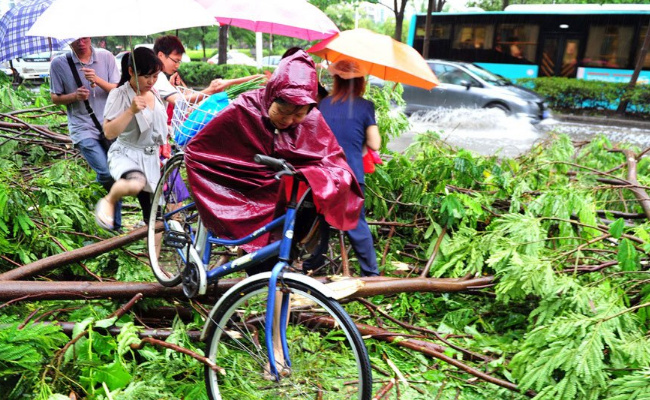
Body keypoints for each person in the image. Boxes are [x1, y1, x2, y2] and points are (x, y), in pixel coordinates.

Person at [184, 50, 364, 275]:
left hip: (282, 197)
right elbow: (200, 151)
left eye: (298, 115)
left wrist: (322, 177)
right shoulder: (244, 108)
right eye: (282, 112)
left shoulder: (312, 119)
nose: (289, 121)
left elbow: (331, 158)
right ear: (272, 96)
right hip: (245, 191)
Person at [303, 59, 381, 277]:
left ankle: (313, 266)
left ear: (336, 79)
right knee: (356, 223)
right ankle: (371, 274)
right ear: (361, 82)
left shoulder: (323, 104)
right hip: (351, 175)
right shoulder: (365, 106)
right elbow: (375, 144)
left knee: (321, 220)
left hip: (321, 174)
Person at [49, 37, 123, 230]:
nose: (81, 42)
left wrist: (97, 80)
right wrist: (75, 96)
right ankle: (100, 205)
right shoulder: (59, 63)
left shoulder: (106, 57)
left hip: (108, 123)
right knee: (106, 173)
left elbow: (118, 89)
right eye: (76, 39)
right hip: (82, 127)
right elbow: (55, 98)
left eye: (85, 38)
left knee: (115, 173)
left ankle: (114, 225)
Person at [94, 48, 167, 230]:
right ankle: (109, 200)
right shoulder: (119, 94)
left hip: (150, 159)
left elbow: (157, 128)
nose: (151, 81)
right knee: (136, 183)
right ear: (131, 71)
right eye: (146, 76)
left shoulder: (154, 93)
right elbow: (109, 132)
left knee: (155, 219)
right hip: (127, 154)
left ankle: (153, 258)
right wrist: (131, 111)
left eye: (155, 76)